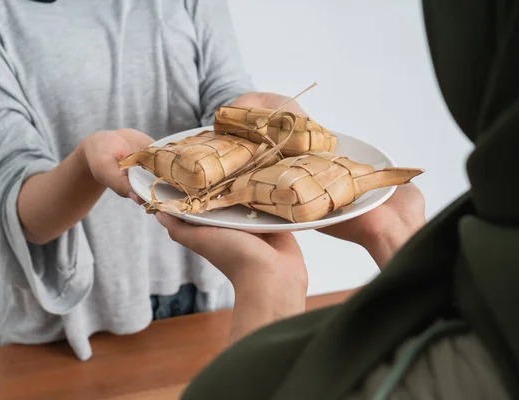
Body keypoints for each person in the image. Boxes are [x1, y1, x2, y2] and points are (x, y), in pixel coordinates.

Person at [156, 0, 519, 398]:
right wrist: (397, 235)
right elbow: (220, 98)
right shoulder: (478, 264)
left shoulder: (429, 373)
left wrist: (269, 281)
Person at [0, 0, 309, 361]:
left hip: (213, 300)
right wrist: (86, 166)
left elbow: (221, 95)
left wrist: (245, 116)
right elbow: (11, 207)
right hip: (66, 330)